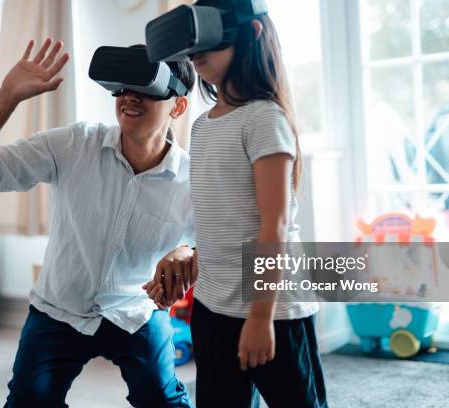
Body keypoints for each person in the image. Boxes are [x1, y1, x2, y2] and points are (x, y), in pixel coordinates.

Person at [0, 38, 197, 408]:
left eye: (145, 88)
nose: (129, 97)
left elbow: (219, 244)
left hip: (135, 311)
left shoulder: (193, 181)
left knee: (163, 400)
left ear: (178, 105)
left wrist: (187, 249)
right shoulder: (75, 144)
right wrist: (7, 96)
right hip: (58, 310)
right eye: (123, 87)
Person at [144, 0, 328, 406]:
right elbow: (216, 219)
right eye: (193, 41)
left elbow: (273, 225)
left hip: (273, 310)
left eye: (211, 36)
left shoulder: (264, 118)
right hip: (212, 306)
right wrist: (185, 270)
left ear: (252, 35)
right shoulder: (201, 126)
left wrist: (260, 318)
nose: (197, 51)